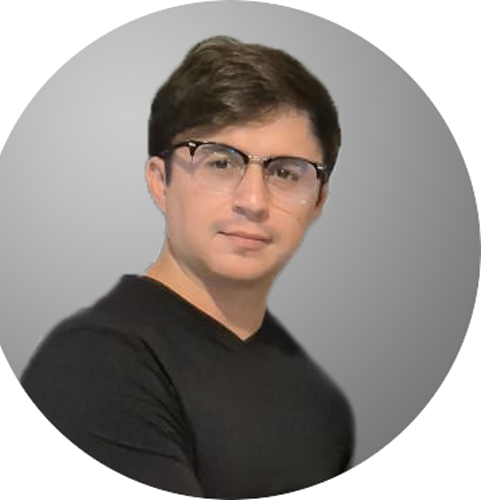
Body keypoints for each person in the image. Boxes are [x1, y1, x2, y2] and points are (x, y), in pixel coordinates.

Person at [21, 36, 354, 498]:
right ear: (161, 182)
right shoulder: (95, 365)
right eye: (220, 163)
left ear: (318, 200)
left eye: (285, 172)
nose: (254, 201)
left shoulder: (322, 404)